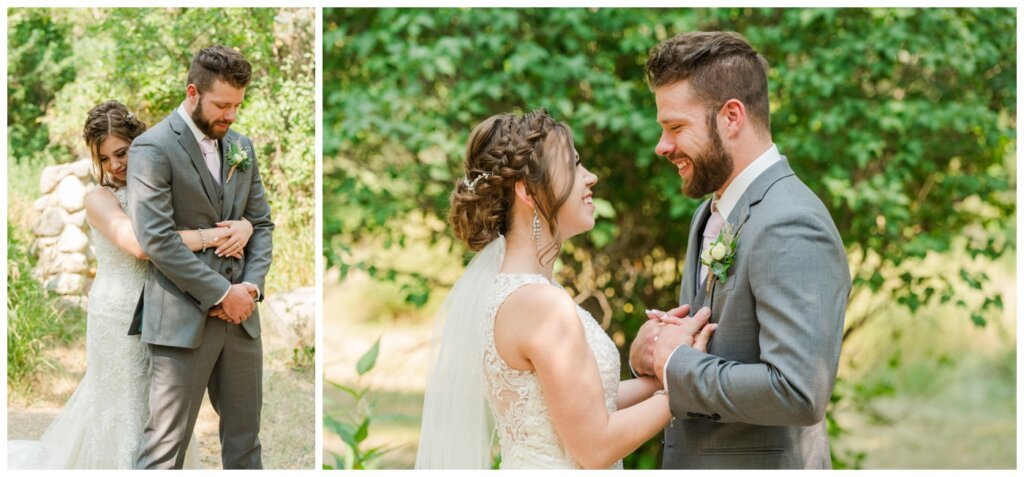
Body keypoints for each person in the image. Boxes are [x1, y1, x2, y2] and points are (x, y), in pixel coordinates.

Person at [414, 109, 716, 469]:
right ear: (528, 192)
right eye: (573, 166)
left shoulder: (520, 292)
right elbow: (595, 447)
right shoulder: (540, 305)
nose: (591, 177)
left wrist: (665, 369)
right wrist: (687, 381)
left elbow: (582, 408)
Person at [629, 31, 851, 469]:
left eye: (676, 127)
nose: (662, 146)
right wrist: (652, 355)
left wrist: (674, 363)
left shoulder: (791, 223)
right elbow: (708, 343)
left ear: (731, 116)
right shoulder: (709, 214)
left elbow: (798, 391)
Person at [7, 100, 253, 469]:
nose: (115, 165)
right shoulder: (99, 198)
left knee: (165, 411)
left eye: (121, 152)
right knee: (122, 405)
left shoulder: (160, 188)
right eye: (104, 159)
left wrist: (246, 226)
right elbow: (141, 246)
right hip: (117, 316)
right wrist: (211, 237)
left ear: (140, 143)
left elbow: (218, 213)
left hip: (168, 309)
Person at [127, 45, 274, 469]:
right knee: (165, 448)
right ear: (193, 92)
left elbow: (261, 224)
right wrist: (220, 293)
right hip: (181, 321)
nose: (231, 116)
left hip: (243, 318)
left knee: (246, 444)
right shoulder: (152, 148)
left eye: (238, 106)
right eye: (222, 105)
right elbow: (156, 239)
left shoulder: (242, 146)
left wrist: (250, 287)